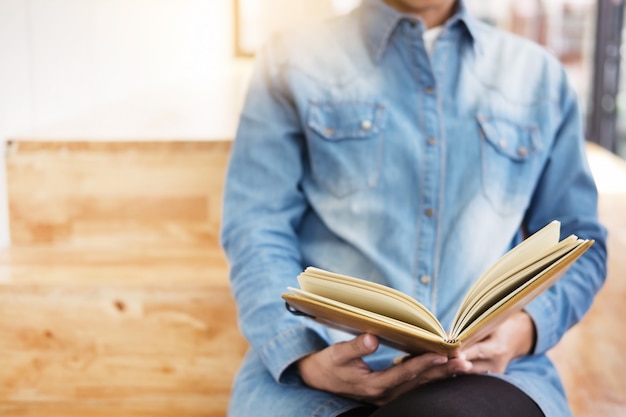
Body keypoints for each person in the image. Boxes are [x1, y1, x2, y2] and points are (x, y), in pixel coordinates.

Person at [220, 0, 608, 416]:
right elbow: (255, 230)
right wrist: (301, 353)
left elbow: (580, 244)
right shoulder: (290, 59)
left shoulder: (539, 77)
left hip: (493, 379)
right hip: (318, 380)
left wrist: (525, 330)